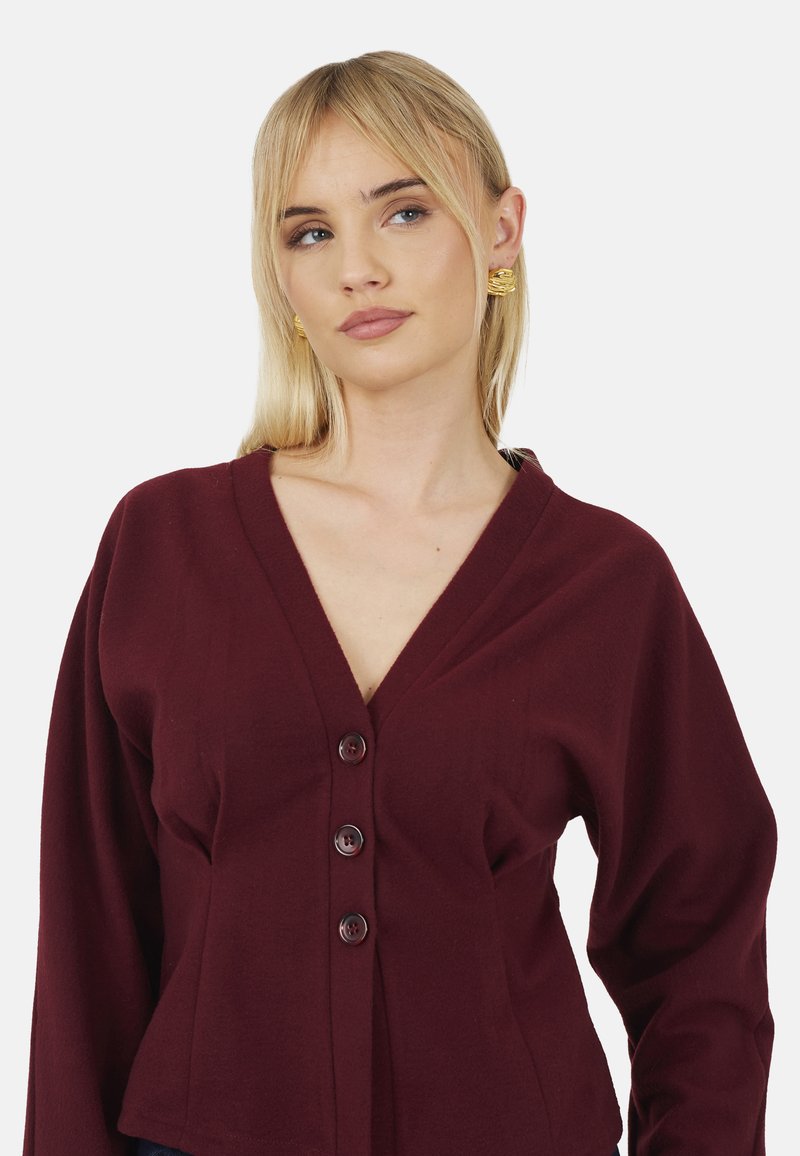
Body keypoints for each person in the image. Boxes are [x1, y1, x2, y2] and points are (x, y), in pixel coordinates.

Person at [22, 50, 776, 1156]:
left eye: (404, 212)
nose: (357, 270)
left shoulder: (608, 584)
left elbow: (699, 944)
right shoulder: (163, 546)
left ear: (502, 231)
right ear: (279, 276)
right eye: (309, 232)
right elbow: (91, 930)